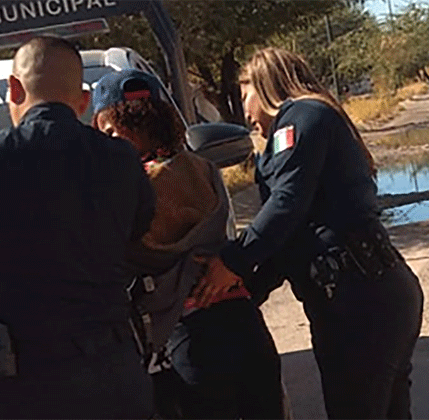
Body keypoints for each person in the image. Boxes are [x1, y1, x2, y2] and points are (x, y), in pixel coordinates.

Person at [190, 47, 425, 419]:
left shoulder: (300, 117)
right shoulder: (305, 123)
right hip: (366, 297)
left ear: (265, 86)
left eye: (244, 94)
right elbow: (291, 237)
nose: (245, 111)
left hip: (358, 303)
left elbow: (286, 205)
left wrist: (232, 261)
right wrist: (243, 289)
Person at [0, 37, 156, 419]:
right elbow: (140, 231)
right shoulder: (122, 161)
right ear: (81, 97)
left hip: (32, 382)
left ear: (14, 88)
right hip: (117, 372)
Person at [90, 69, 285, 419]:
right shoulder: (201, 168)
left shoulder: (129, 190)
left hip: (189, 339)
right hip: (244, 323)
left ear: (110, 127)